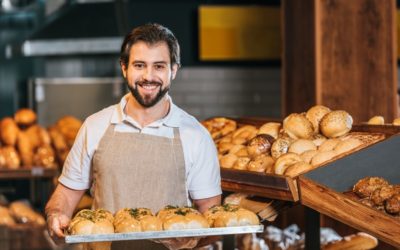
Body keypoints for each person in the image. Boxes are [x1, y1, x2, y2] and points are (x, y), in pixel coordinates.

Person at [45, 23, 222, 249]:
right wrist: (57, 214)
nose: (148, 76)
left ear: (174, 70)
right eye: (139, 65)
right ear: (124, 68)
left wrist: (194, 239)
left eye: (159, 66)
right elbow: (67, 194)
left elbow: (210, 213)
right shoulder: (95, 126)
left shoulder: (196, 136)